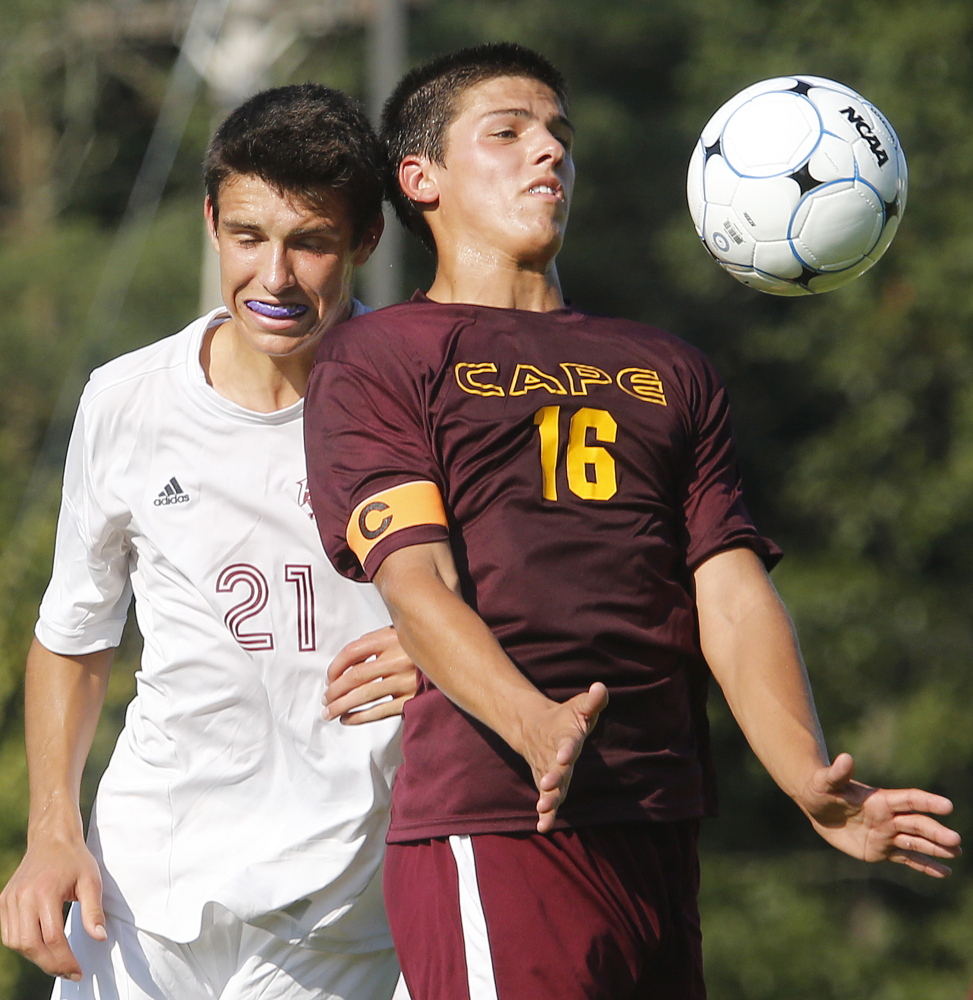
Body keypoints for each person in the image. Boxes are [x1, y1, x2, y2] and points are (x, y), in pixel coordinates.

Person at [304, 43, 962, 1000]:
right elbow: (415, 584)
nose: (548, 154)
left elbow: (729, 594)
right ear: (421, 178)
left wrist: (804, 777)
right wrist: (531, 725)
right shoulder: (378, 357)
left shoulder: (669, 366)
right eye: (508, 132)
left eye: (559, 136)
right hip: (499, 822)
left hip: (656, 820)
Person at [0, 84, 417, 1000]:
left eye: (308, 243)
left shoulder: (421, 401)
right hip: (139, 896)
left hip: (337, 910)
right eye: (247, 237)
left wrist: (441, 647)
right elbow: (75, 634)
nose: (274, 278)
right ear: (210, 222)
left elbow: (518, 599)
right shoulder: (125, 398)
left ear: (365, 244)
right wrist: (52, 833)